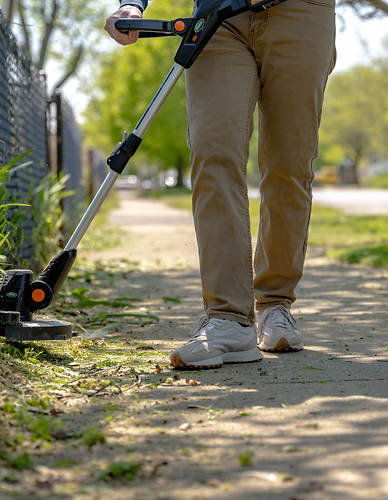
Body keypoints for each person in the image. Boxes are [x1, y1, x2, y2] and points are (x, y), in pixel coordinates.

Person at [105, 0, 336, 369]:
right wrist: (132, 5)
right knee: (212, 153)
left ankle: (275, 306)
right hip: (219, 14)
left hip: (301, 10)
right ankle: (227, 318)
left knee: (289, 164)